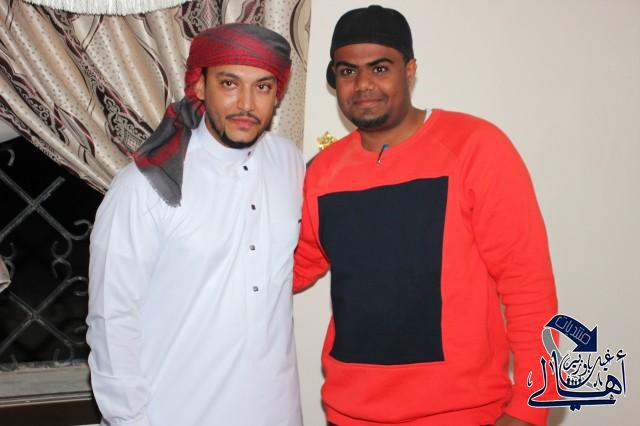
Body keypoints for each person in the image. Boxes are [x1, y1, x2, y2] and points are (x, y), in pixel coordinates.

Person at [294, 5, 557, 426]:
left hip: (463, 415)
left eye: (380, 68)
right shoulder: (322, 173)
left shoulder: (475, 147)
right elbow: (290, 268)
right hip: (347, 414)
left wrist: (532, 407)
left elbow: (527, 284)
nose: (363, 84)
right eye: (347, 71)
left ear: (410, 70)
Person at [87, 23, 303, 426]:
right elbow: (111, 323)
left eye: (262, 87)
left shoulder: (289, 163)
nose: (246, 103)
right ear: (199, 86)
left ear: (278, 94)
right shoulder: (145, 185)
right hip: (174, 412)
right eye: (229, 83)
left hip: (275, 410)